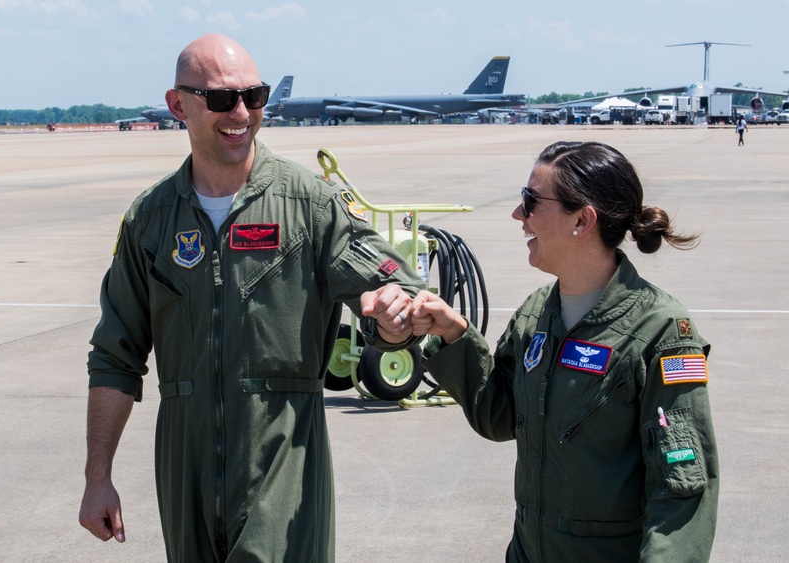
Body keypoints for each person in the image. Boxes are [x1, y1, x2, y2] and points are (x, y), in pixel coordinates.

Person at [78, 34, 425, 562]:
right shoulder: (150, 221)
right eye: (221, 99)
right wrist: (97, 476)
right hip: (184, 466)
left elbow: (396, 289)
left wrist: (395, 320)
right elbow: (114, 357)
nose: (240, 112)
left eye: (254, 96)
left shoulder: (310, 205)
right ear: (179, 105)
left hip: (283, 458)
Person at [411, 141, 718, 562]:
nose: (519, 215)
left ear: (582, 219)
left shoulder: (661, 331)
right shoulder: (537, 314)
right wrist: (454, 336)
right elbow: (498, 416)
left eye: (531, 201)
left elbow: (681, 489)